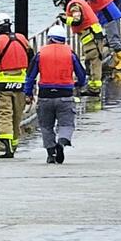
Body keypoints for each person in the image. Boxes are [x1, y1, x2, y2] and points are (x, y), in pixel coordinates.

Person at [24, 25, 88, 164]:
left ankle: (50, 153)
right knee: (66, 124)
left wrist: (28, 93)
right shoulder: (70, 53)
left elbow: (30, 77)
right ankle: (62, 142)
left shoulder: (40, 54)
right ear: (64, 40)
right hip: (65, 94)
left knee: (46, 126)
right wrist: (80, 84)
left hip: (45, 95)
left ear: (49, 39)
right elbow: (81, 74)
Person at [0, 13, 34, 159]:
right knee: (17, 116)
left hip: (3, 86)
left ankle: (7, 144)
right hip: (21, 86)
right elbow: (32, 61)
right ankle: (14, 144)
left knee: (5, 115)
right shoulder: (23, 40)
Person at [71, 0, 121, 70]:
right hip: (105, 16)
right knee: (110, 39)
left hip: (109, 15)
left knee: (113, 39)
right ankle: (117, 60)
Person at [53, 0, 104, 96]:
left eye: (61, 4)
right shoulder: (76, 2)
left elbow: (77, 20)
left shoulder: (74, 6)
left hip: (91, 36)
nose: (62, 6)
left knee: (93, 61)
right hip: (92, 35)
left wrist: (65, 19)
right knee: (90, 62)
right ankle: (92, 85)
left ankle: (94, 89)